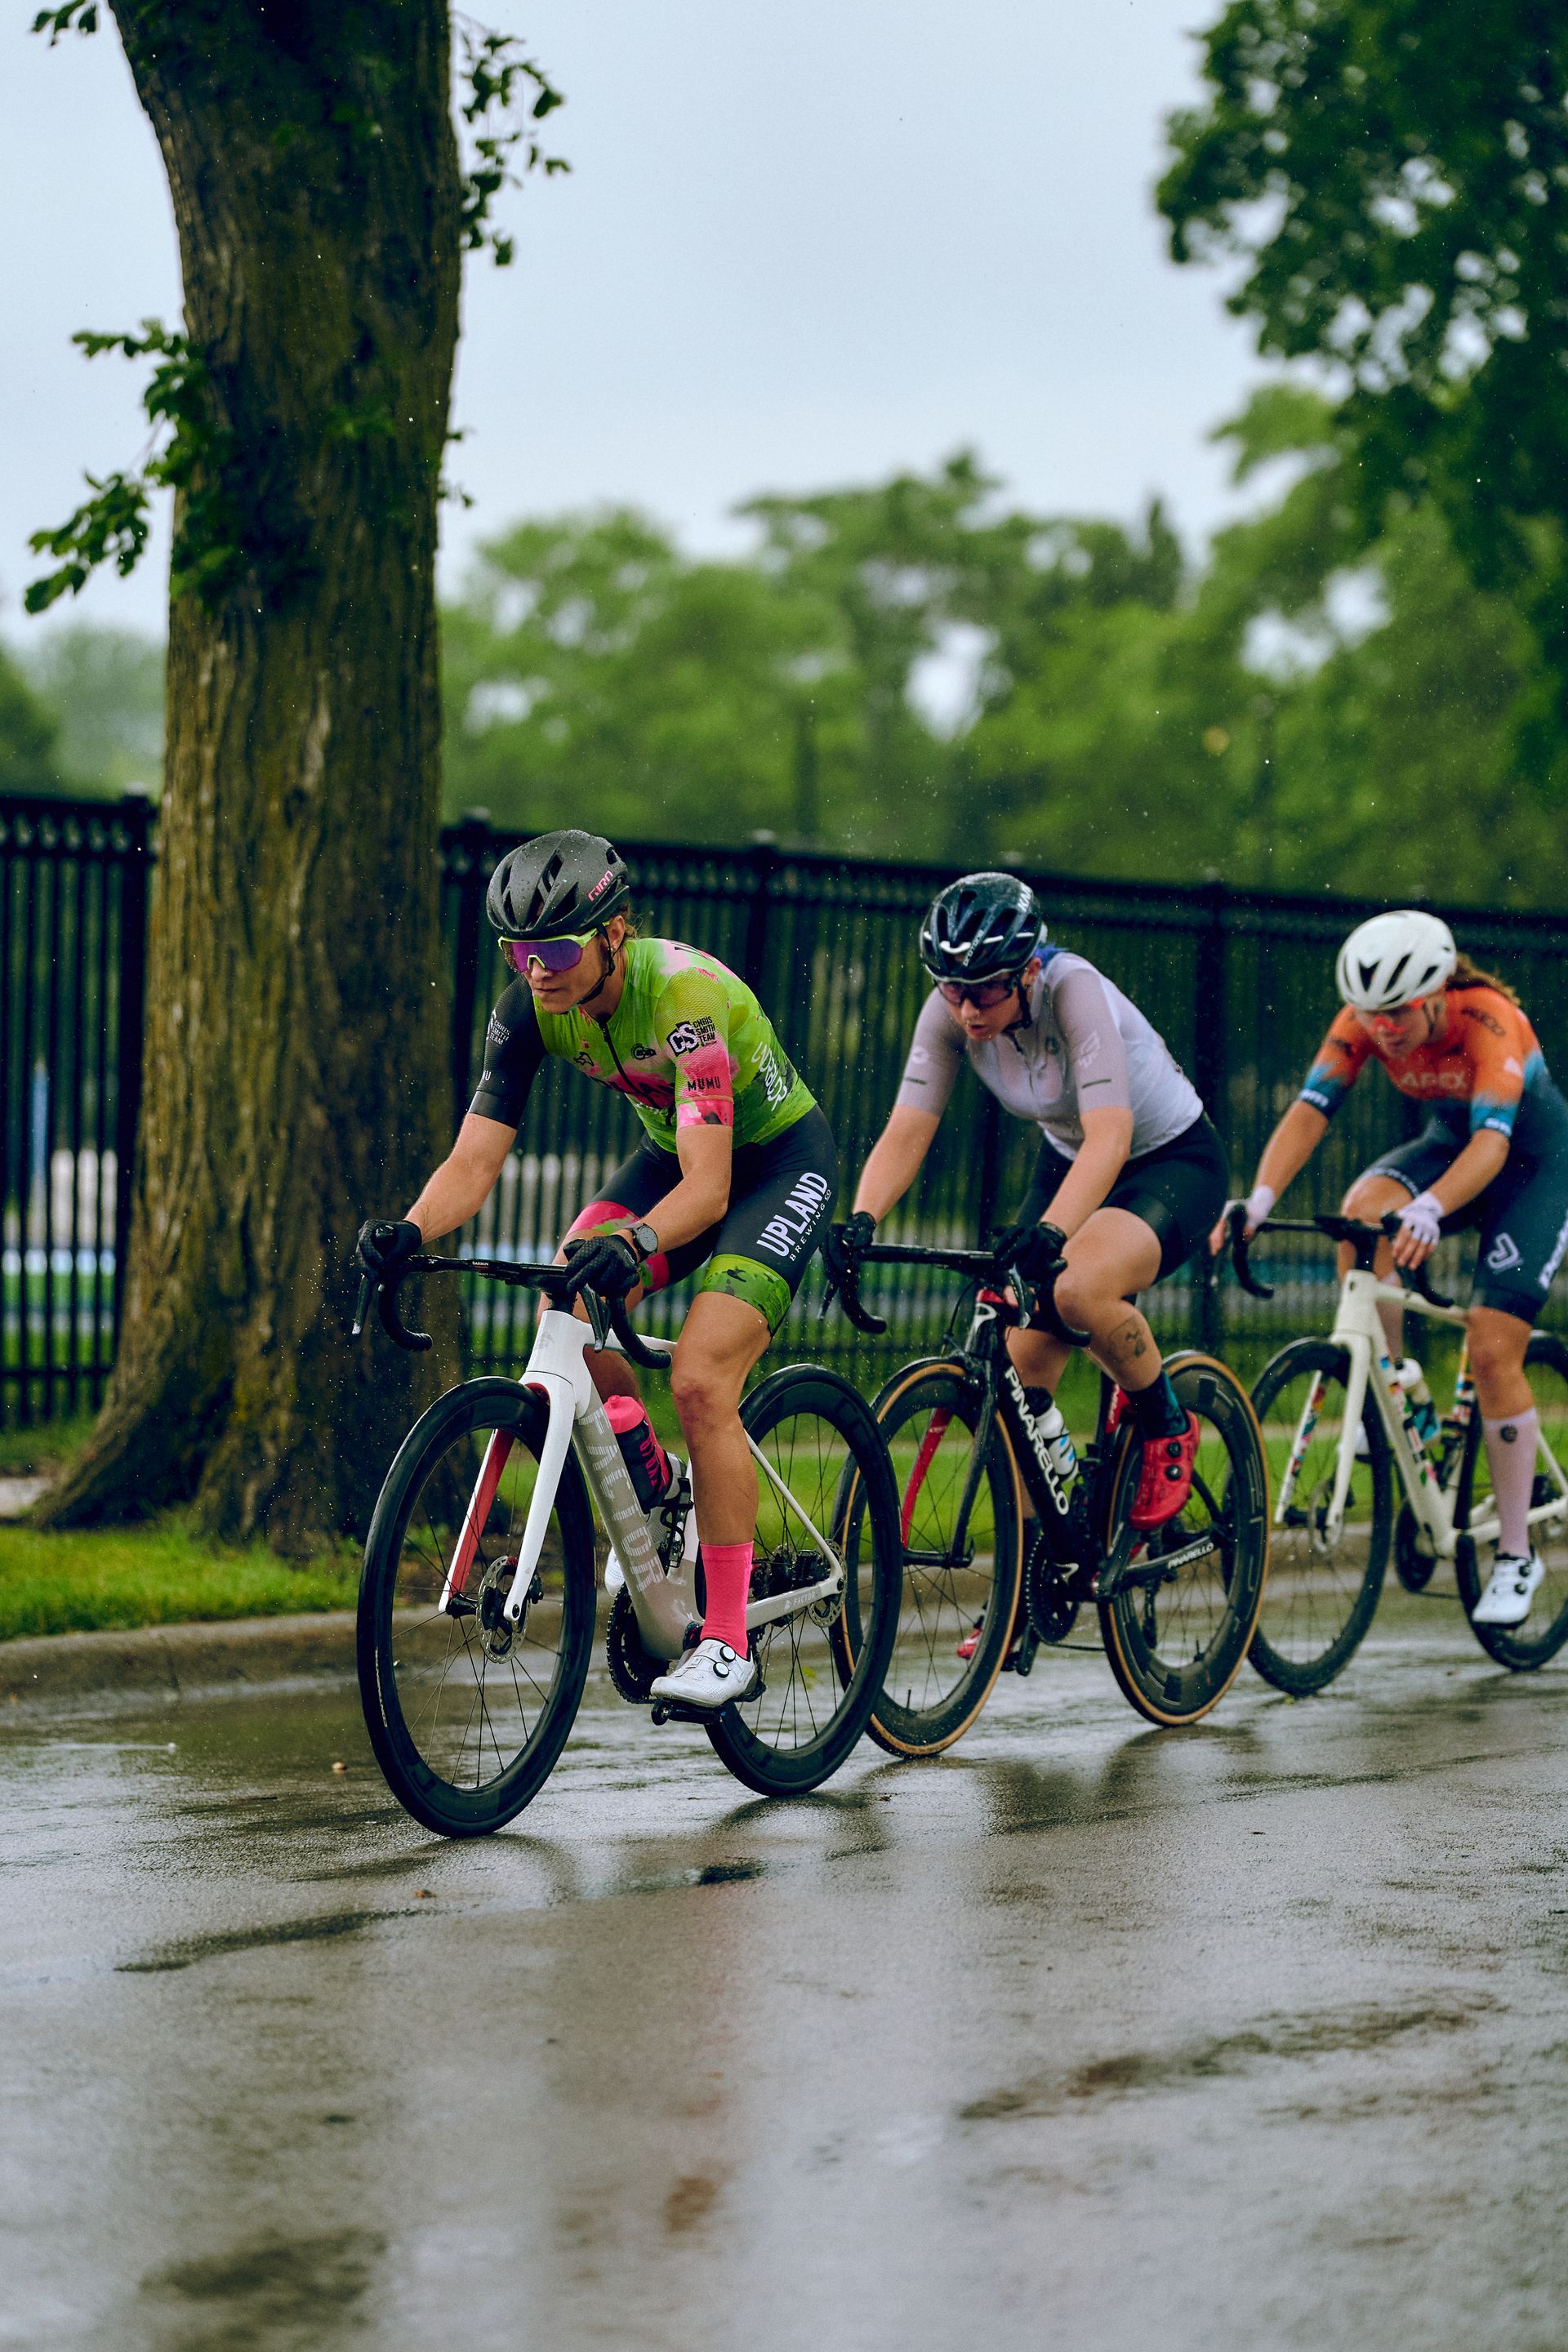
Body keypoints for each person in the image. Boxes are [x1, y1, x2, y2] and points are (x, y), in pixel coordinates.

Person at [355, 829, 837, 1708]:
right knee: (563, 1296)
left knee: (699, 1378)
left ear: (614, 933)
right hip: (679, 1160)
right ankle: (649, 1477)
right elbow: (472, 1164)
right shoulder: (532, 1007)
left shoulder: (684, 999)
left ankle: (728, 1640)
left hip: (771, 1168)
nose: (535, 968)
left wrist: (643, 1242)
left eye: (555, 947)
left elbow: (712, 1186)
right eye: (518, 950)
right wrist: (410, 1229)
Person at [830, 871, 1229, 1544]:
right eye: (953, 989)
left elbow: (1111, 1135)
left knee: (1078, 1287)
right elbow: (907, 1129)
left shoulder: (1073, 989)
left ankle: (1167, 1423)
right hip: (1071, 1157)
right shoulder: (951, 1008)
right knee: (1015, 1369)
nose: (967, 1009)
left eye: (985, 988)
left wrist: (1053, 1231)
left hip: (1168, 1160)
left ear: (1026, 971)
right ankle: (1026, 1585)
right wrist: (862, 1220)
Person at [1217, 907, 1568, 1627]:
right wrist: (1257, 1199)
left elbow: (1494, 1148)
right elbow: (1310, 1111)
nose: (1383, 1029)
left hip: (1531, 1166)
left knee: (1492, 1343)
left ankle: (1512, 1553)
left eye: (1399, 1013)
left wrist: (1433, 1208)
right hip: (1452, 1146)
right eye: (1372, 1015)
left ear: (1437, 990)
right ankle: (1405, 1398)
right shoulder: (1361, 1022)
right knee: (1360, 1219)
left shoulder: (1492, 1022)